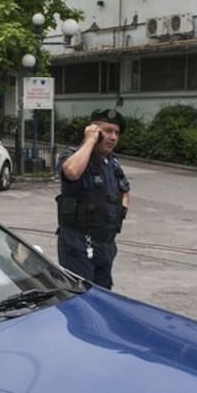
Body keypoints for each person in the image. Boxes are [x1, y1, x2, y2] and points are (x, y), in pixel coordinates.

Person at [55, 108, 130, 289]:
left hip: (106, 244)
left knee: (104, 295)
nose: (112, 137)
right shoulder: (73, 156)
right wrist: (89, 141)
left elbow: (124, 190)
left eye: (116, 133)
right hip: (79, 243)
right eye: (107, 131)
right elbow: (71, 172)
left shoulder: (112, 162)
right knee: (82, 297)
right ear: (93, 131)